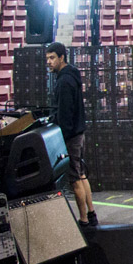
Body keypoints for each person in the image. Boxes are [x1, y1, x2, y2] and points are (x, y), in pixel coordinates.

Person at [45, 42, 95, 228]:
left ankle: (83, 220)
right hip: (78, 133)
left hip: (70, 136)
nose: (49, 62)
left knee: (75, 179)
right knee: (81, 175)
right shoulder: (70, 76)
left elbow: (65, 114)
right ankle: (91, 214)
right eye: (47, 59)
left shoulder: (64, 82)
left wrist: (60, 138)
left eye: (52, 58)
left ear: (61, 57)